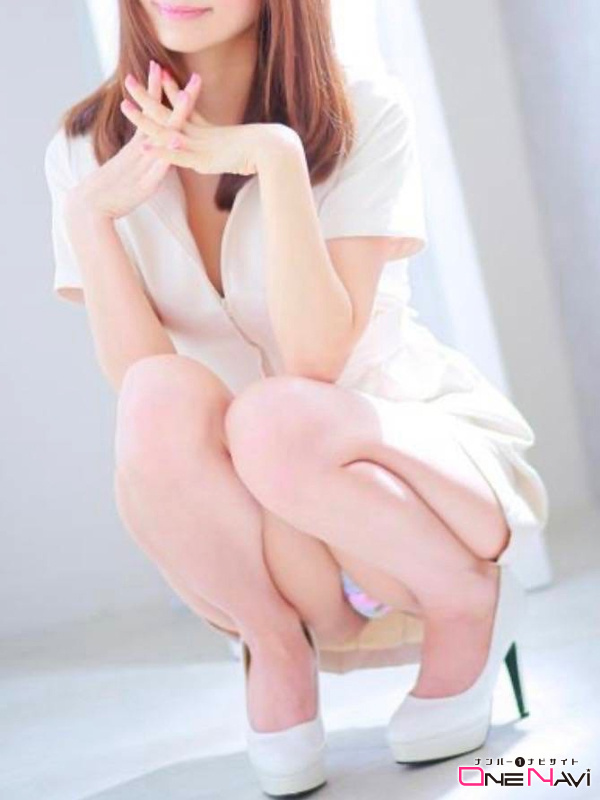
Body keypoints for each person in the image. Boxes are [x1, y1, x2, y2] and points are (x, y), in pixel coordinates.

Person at [44, 0, 549, 795]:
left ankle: (465, 599)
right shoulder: (82, 151)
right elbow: (144, 386)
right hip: (266, 524)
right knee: (158, 398)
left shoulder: (361, 109)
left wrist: (274, 158)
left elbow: (317, 358)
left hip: (404, 469)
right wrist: (88, 217)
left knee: (275, 417)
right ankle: (272, 641)